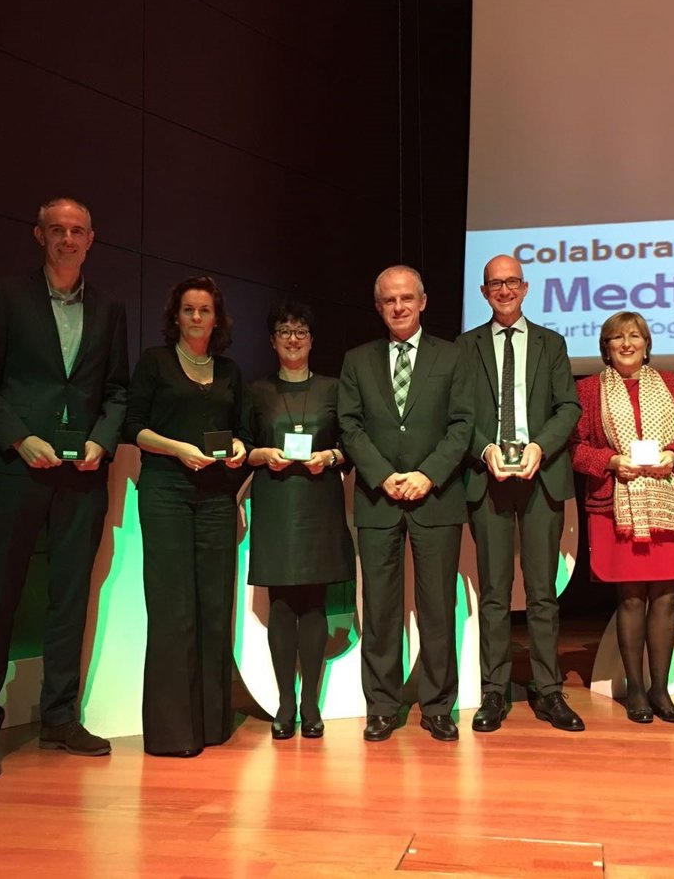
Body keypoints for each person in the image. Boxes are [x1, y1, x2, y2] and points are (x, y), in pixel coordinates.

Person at [0, 197, 128, 780]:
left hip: (82, 475)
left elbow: (118, 391)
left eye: (77, 230)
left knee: (70, 598)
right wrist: (18, 438)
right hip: (17, 469)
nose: (67, 239)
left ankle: (59, 717)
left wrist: (102, 441)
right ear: (39, 235)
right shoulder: (6, 296)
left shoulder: (109, 309)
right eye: (57, 230)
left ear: (91, 239)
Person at [337, 265, 473, 742]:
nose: (399, 307)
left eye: (406, 298)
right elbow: (349, 425)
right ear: (379, 307)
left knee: (437, 608)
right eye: (389, 300)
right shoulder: (357, 360)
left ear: (423, 301)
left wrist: (427, 475)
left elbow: (462, 425)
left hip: (436, 497)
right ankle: (382, 706)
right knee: (380, 610)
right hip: (378, 499)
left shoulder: (452, 357)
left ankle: (437, 706)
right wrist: (383, 475)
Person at [122, 275, 250, 756]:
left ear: (217, 319)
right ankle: (173, 734)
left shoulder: (230, 371)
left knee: (215, 607)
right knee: (172, 610)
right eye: (189, 309)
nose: (197, 317)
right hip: (166, 493)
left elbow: (242, 431)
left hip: (216, 497)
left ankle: (213, 725)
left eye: (205, 310)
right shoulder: (154, 362)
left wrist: (239, 448)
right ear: (175, 316)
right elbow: (134, 427)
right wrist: (177, 449)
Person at [458, 254, 584, 733]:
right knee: (493, 592)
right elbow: (457, 414)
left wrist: (539, 447)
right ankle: (494, 690)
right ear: (484, 292)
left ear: (526, 288)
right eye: (496, 284)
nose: (505, 290)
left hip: (541, 475)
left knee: (541, 593)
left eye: (512, 282)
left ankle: (548, 690)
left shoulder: (552, 343)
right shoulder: (464, 347)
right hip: (487, 476)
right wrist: (484, 449)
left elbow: (568, 407)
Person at [569, 312, 674, 724]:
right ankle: (636, 690)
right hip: (615, 508)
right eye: (617, 337)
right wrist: (610, 461)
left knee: (665, 598)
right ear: (605, 348)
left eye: (634, 336)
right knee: (629, 598)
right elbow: (574, 447)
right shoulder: (588, 389)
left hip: (668, 504)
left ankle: (661, 690)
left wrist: (673, 456)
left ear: (647, 344)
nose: (626, 343)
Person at [247, 301, 355, 741]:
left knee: (314, 603)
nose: (293, 339)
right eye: (284, 331)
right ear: (272, 340)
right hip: (275, 502)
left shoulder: (334, 388)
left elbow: (351, 444)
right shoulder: (257, 391)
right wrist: (261, 454)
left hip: (318, 501)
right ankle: (284, 703)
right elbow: (241, 446)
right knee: (281, 604)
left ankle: (310, 703)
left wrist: (329, 456)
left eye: (301, 332)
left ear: (312, 340)